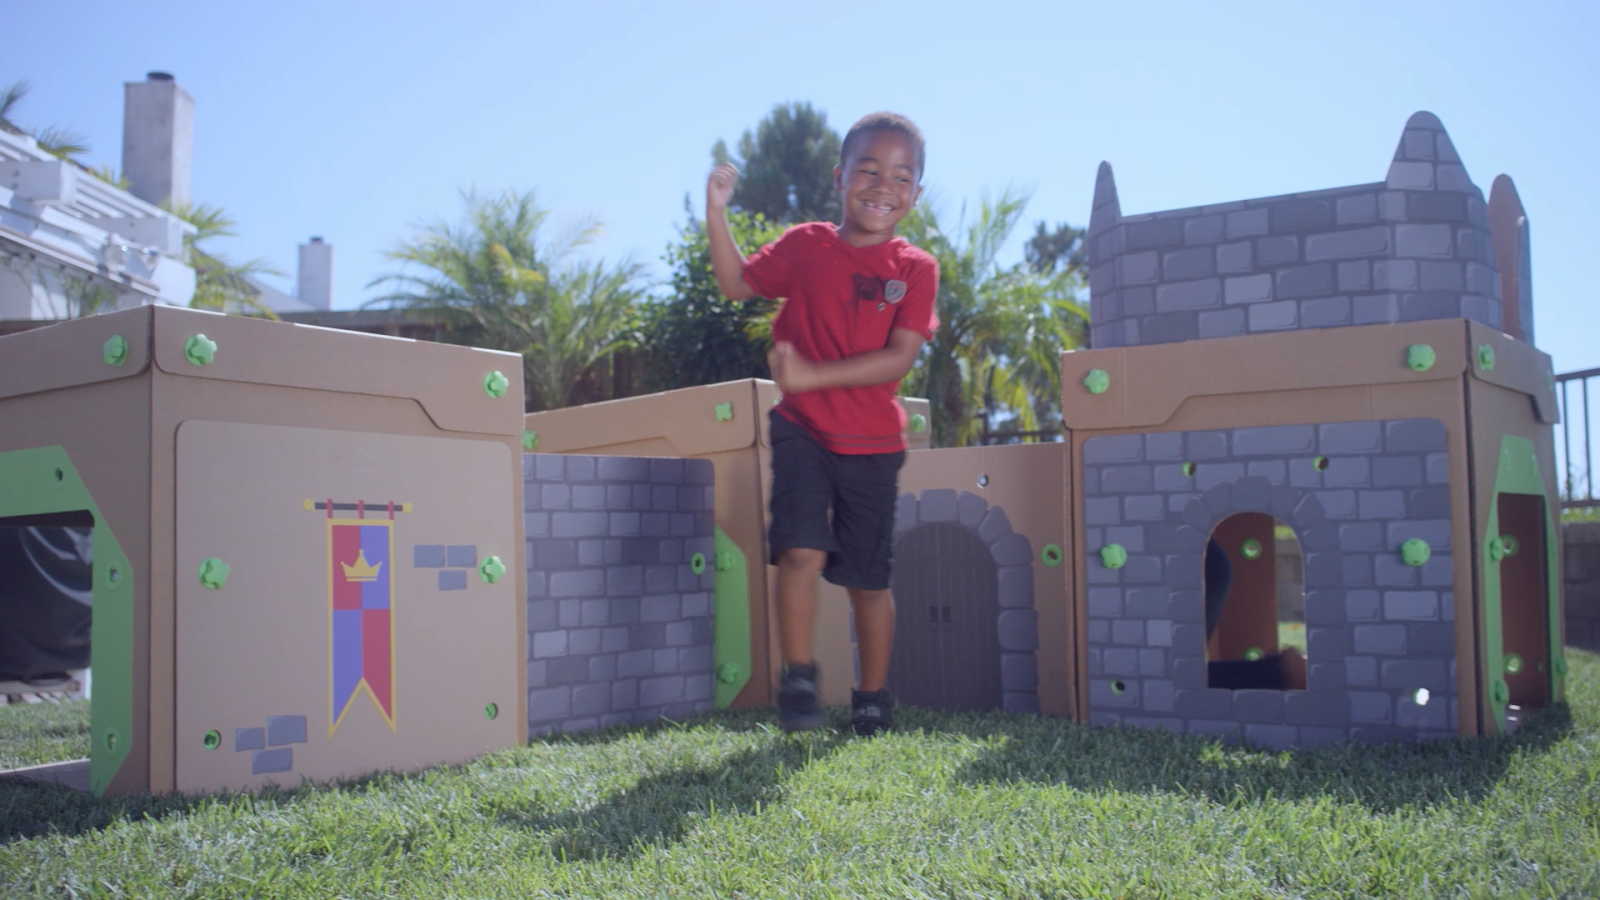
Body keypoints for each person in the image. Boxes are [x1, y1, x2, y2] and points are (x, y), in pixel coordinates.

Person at [705, 112, 939, 735]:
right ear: (840, 177)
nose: (882, 184)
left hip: (873, 445)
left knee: (868, 581)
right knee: (800, 550)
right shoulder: (806, 245)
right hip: (802, 428)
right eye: (868, 168)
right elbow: (735, 284)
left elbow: (900, 357)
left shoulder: (916, 267)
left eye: (900, 175)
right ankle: (800, 680)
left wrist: (811, 375)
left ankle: (872, 698)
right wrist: (716, 208)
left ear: (915, 193)